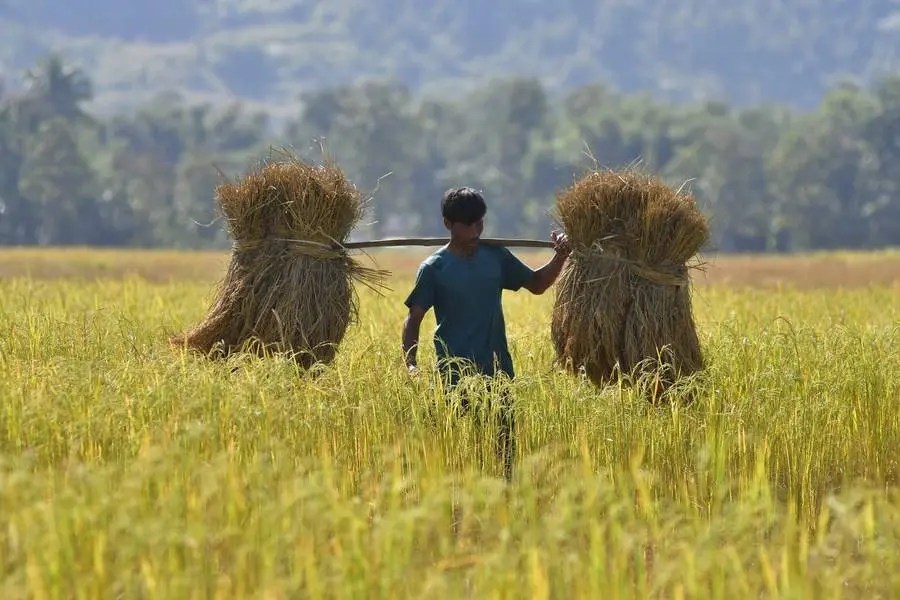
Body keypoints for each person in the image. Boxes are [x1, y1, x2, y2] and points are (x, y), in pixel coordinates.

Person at [401, 187, 570, 480]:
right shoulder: (434, 269)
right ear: (448, 225)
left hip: (497, 371)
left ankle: (504, 506)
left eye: (480, 221)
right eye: (468, 223)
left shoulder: (496, 258)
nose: (476, 229)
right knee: (458, 453)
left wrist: (561, 256)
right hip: (453, 375)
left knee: (503, 453)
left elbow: (537, 284)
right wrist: (411, 363)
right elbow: (414, 318)